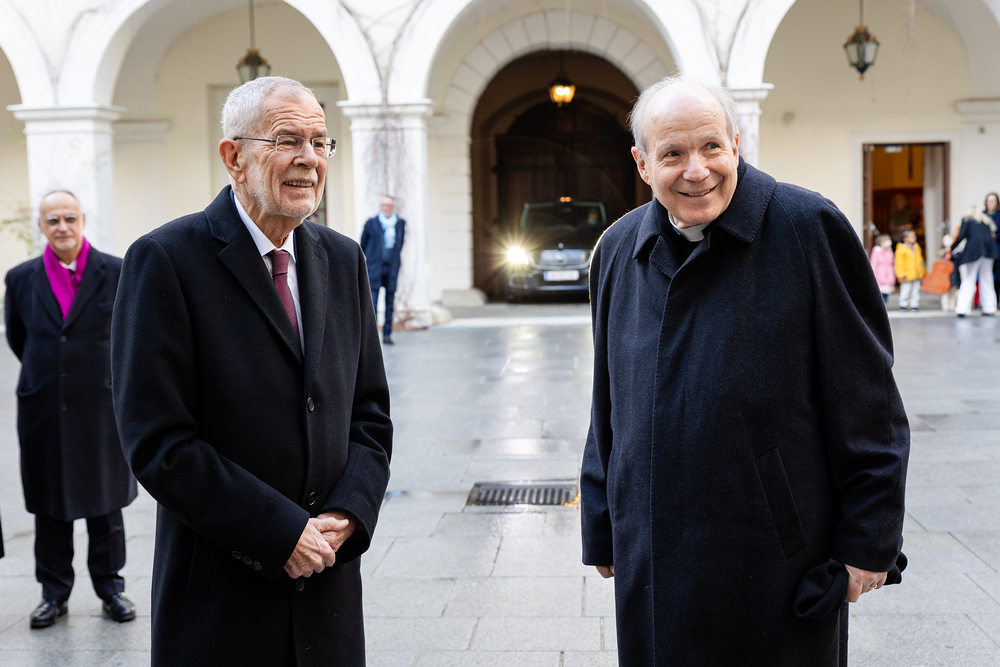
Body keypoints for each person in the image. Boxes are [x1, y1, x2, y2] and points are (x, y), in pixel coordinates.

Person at [580, 76, 909, 666]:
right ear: (642, 164)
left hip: (777, 563)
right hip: (652, 556)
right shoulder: (617, 249)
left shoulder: (809, 227)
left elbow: (870, 402)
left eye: (711, 146)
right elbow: (608, 404)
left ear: (735, 144)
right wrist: (604, 523)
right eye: (672, 154)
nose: (697, 170)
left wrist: (870, 540)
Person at [110, 76, 392, 666]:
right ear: (233, 156)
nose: (309, 159)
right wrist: (278, 532)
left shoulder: (343, 259)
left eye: (320, 142)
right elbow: (158, 442)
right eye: (287, 140)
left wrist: (349, 511)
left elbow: (368, 414)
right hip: (222, 604)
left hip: (329, 596)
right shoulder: (166, 260)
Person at [4, 190, 138, 629]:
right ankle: (53, 593)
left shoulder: (116, 271)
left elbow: (129, 334)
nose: (62, 227)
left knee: (105, 505)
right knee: (50, 507)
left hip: (100, 407)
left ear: (82, 219)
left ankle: (111, 589)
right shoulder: (20, 278)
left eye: (69, 218)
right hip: (43, 408)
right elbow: (20, 339)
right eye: (52, 220)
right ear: (41, 226)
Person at [361, 196, 406, 344]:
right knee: (372, 303)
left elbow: (400, 245)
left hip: (391, 269)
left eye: (388, 205)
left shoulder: (399, 224)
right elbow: (363, 244)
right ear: (380, 206)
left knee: (389, 303)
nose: (386, 208)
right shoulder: (371, 223)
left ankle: (387, 334)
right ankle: (372, 337)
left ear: (392, 207)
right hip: (375, 269)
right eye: (383, 205)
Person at [951, 209, 998, 318]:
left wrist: (952, 247)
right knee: (987, 278)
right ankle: (989, 308)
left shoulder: (966, 220)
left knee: (969, 278)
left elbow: (961, 235)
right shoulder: (985, 221)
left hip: (974, 250)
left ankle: (962, 308)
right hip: (989, 249)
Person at [894, 230, 925, 311]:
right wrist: (901, 274)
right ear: (905, 238)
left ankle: (914, 305)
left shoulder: (916, 247)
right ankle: (903, 304)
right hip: (906, 275)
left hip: (916, 274)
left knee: (916, 291)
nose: (914, 238)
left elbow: (920, 261)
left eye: (914, 236)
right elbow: (899, 263)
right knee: (906, 290)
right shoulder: (901, 249)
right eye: (912, 236)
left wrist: (921, 272)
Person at [869, 234, 895, 305]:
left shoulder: (889, 251)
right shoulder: (876, 252)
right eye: (888, 240)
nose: (890, 242)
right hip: (879, 275)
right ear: (882, 242)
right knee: (880, 294)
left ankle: (885, 307)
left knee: (886, 293)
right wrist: (874, 276)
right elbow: (873, 264)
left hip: (888, 274)